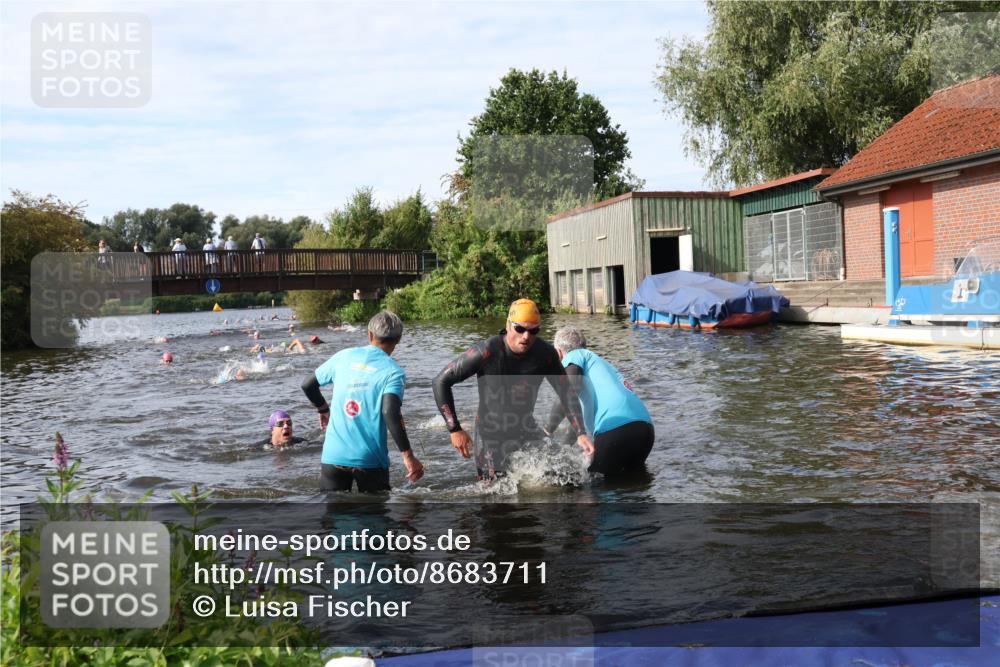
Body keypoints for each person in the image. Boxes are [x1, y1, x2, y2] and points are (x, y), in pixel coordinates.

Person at [432, 298, 594, 480]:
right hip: (490, 434)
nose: (526, 336)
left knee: (566, 476)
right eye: (520, 329)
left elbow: (567, 393)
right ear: (508, 325)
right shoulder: (487, 351)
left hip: (525, 427)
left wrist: (581, 433)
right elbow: (440, 381)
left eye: (533, 331)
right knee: (494, 495)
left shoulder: (546, 355)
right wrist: (455, 429)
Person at [302, 310, 423, 492]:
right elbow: (390, 412)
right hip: (370, 460)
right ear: (398, 339)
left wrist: (322, 409)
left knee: (334, 515)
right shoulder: (394, 372)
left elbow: (307, 385)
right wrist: (408, 456)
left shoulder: (343, 356)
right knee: (375, 517)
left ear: (369, 334)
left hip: (333, 456)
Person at [546, 327, 655, 476]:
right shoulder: (598, 366)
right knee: (632, 483)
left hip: (616, 430)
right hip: (645, 430)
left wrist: (547, 430)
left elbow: (567, 392)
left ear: (558, 353)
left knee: (594, 489)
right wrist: (560, 452)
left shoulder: (574, 356)